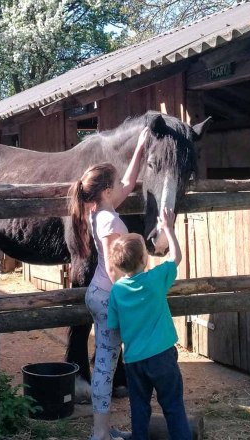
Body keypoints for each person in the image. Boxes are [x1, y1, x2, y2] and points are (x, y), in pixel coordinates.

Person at [68, 127, 150, 440]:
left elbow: (128, 184)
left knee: (109, 360)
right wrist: (135, 298)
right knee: (104, 365)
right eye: (112, 185)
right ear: (104, 191)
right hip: (108, 297)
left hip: (101, 295)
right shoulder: (107, 222)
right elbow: (115, 268)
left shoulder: (100, 209)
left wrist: (140, 148)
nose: (119, 187)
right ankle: (100, 432)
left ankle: (104, 430)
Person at [107, 208, 191, 440]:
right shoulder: (156, 279)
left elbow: (113, 324)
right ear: (145, 259)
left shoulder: (116, 291)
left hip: (134, 360)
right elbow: (176, 257)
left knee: (139, 408)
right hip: (162, 356)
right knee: (173, 407)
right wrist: (169, 229)